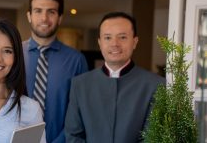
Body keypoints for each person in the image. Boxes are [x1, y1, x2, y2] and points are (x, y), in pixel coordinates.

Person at [64, 12, 165, 143]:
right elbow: (73, 135)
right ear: (100, 43)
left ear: (134, 42)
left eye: (122, 37)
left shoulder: (155, 85)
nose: (114, 44)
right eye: (107, 38)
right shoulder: (80, 85)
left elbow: (152, 138)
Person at [23, 0, 88, 142]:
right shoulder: (13, 55)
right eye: (38, 11)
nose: (44, 18)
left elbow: (81, 111)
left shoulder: (77, 60)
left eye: (51, 12)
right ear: (29, 15)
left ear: (60, 18)